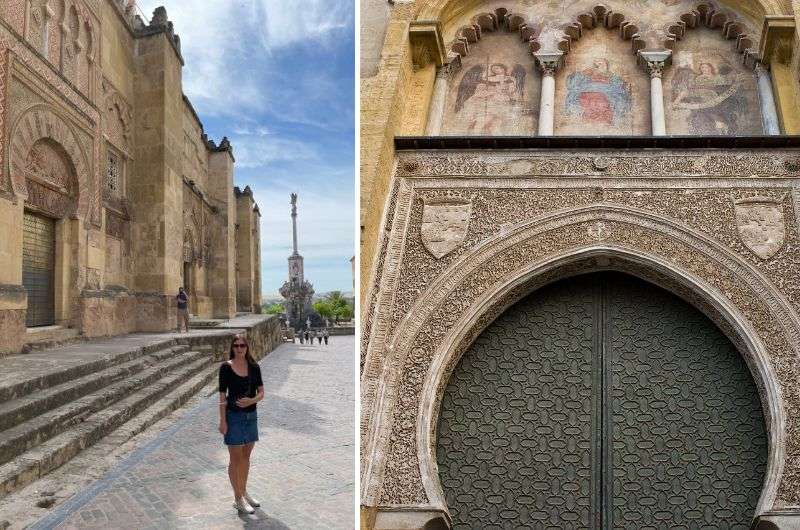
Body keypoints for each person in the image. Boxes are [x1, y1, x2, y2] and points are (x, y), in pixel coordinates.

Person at [218, 335, 264, 514]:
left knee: (246, 457)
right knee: (235, 459)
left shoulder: (254, 367)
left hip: (251, 417)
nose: (239, 348)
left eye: (242, 345)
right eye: (236, 345)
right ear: (232, 347)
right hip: (233, 417)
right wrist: (222, 420)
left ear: (247, 347)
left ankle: (244, 492)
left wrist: (251, 400)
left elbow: (261, 392)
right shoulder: (226, 368)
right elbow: (222, 396)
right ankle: (237, 498)